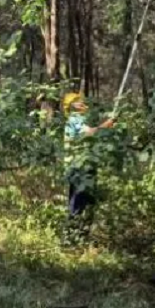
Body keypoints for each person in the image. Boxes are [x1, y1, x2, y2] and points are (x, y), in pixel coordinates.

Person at [62, 93, 114, 240]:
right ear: (71, 106)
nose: (81, 102)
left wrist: (106, 129)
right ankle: (70, 238)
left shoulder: (80, 120)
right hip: (79, 168)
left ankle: (82, 237)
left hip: (84, 166)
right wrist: (105, 125)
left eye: (80, 100)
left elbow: (92, 136)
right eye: (77, 101)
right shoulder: (74, 119)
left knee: (88, 202)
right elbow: (90, 133)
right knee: (78, 202)